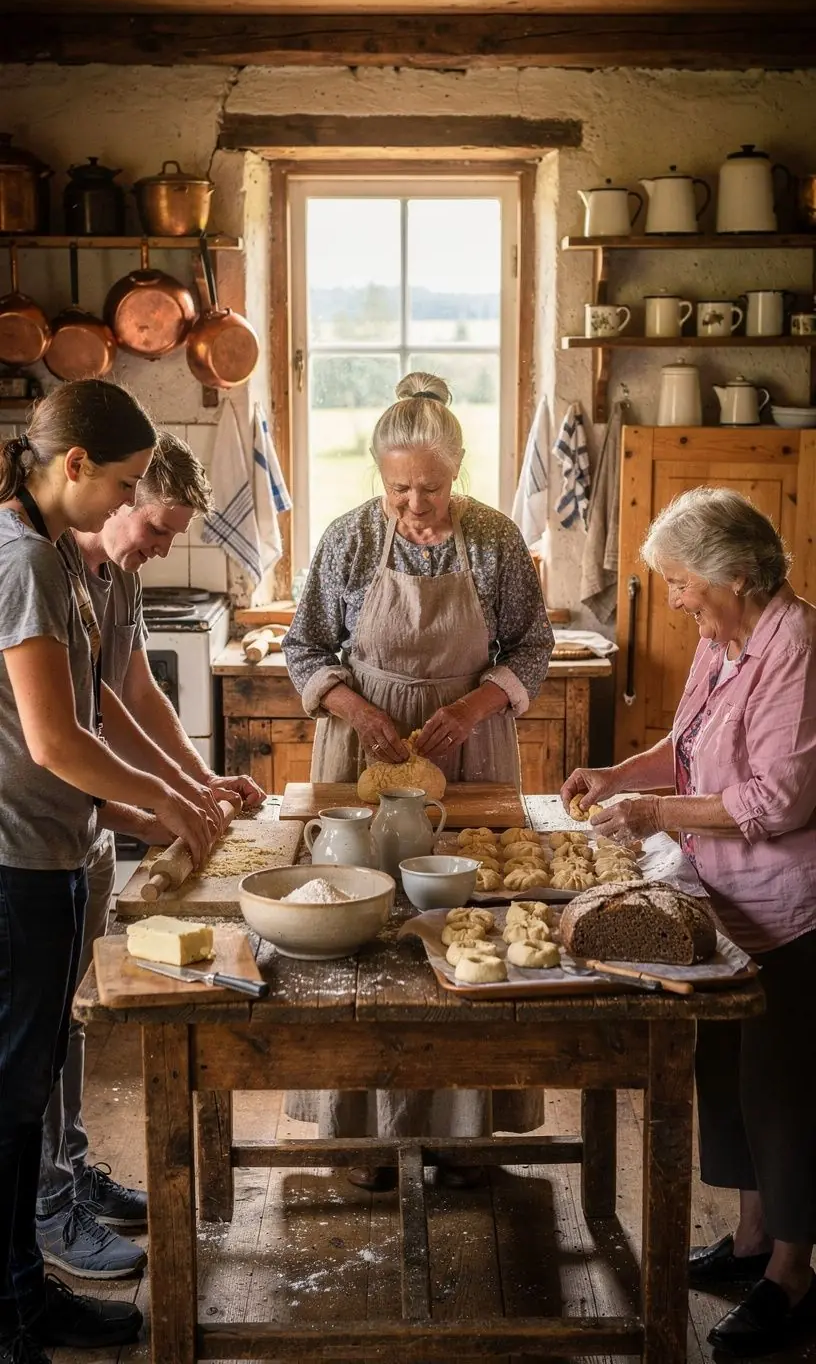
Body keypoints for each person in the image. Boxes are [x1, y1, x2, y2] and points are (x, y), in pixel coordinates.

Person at [562, 487, 816, 1361]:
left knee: (784, 1090)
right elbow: (686, 748)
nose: (672, 600)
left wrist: (656, 816)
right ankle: (750, 1239)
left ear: (737, 575)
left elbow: (776, 801)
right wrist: (615, 772)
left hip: (788, 908)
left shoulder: (797, 648)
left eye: (679, 582)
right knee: (728, 1070)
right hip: (718, 892)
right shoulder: (722, 639)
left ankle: (791, 1273)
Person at [284, 372, 553, 1190]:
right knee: (363, 926)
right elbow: (305, 648)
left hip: (470, 751)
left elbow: (532, 648)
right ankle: (363, 1137)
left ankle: (465, 1135)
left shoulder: (498, 541)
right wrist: (358, 713)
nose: (415, 506)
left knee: (462, 922)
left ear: (458, 469)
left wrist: (472, 709)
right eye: (398, 488)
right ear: (380, 477)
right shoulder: (347, 541)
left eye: (430, 488)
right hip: (365, 752)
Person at [0, 381, 221, 1364]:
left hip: (47, 853)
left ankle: (24, 1294)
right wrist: (164, 803)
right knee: (10, 1102)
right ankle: (14, 1308)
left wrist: (162, 795)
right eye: (128, 483)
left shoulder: (45, 552)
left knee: (31, 1082)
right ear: (76, 467)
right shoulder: (24, 560)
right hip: (15, 861)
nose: (129, 503)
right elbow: (54, 741)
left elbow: (98, 705)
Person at [36, 430, 265, 1282]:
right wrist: (154, 805)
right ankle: (46, 1205)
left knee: (71, 1016)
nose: (162, 549)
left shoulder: (117, 580)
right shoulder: (41, 568)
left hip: (80, 833)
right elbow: (66, 731)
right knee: (34, 1035)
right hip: (30, 831)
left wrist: (198, 782)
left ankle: (70, 1167)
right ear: (114, 494)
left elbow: (127, 696)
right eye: (156, 528)